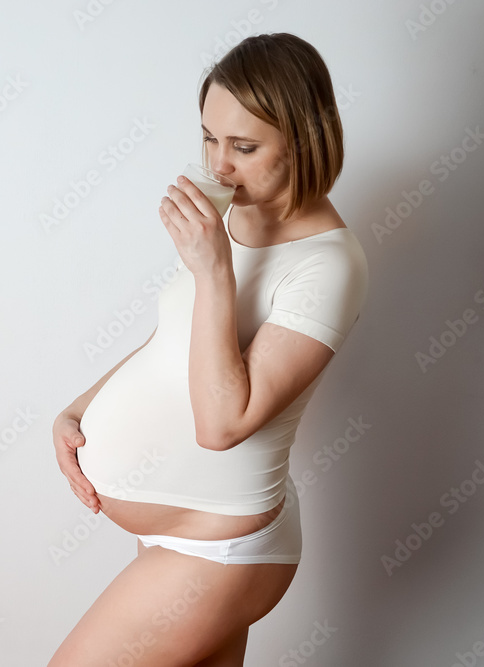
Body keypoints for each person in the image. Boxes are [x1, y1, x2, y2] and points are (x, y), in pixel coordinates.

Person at [49, 33, 369, 667]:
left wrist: (213, 271)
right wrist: (79, 409)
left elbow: (223, 425)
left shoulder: (329, 265)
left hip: (220, 548)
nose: (218, 167)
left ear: (303, 140)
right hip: (177, 535)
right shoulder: (229, 220)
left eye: (244, 147)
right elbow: (173, 342)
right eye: (208, 138)